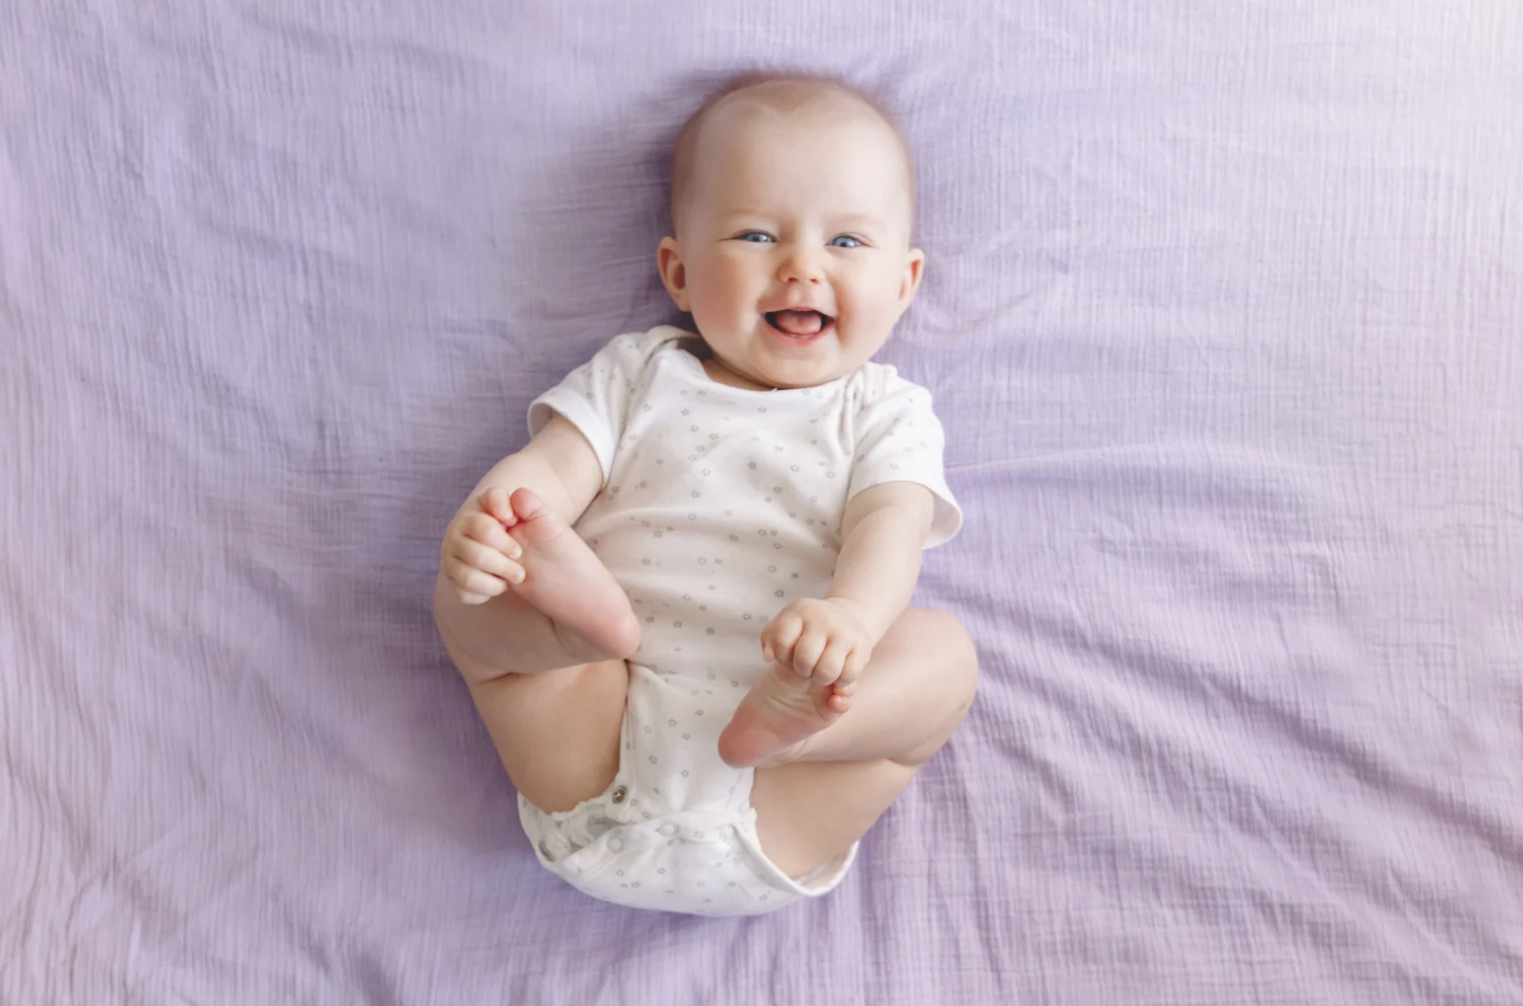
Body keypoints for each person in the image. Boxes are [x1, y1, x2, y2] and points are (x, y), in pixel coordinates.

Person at [433, 74, 978, 916]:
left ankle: (810, 721)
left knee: (944, 661)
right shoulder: (638, 374)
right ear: (678, 271)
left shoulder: (884, 410)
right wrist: (502, 518)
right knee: (466, 600)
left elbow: (891, 528)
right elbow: (553, 467)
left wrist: (851, 623)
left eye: (846, 243)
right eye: (757, 235)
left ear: (903, 284)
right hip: (598, 733)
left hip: (777, 795)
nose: (801, 265)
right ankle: (580, 626)